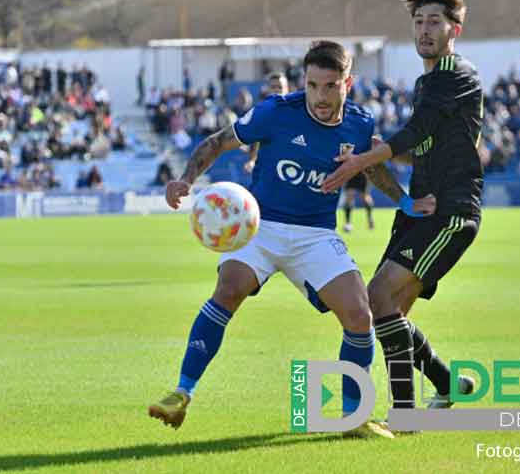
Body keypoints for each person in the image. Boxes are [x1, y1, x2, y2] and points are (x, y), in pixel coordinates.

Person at [148, 41, 434, 438]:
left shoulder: (359, 123)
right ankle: (180, 393)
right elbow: (217, 141)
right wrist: (186, 179)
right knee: (228, 289)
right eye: (313, 85)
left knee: (359, 315)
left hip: (316, 234)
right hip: (261, 227)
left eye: (331, 86)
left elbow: (372, 168)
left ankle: (354, 418)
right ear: (304, 80)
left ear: (347, 83)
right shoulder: (276, 112)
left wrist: (404, 201)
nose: (320, 95)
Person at [323, 0, 481, 415]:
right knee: (387, 311)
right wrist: (374, 151)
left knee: (378, 297)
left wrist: (364, 160)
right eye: (418, 22)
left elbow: (417, 131)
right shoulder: (426, 81)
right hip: (422, 208)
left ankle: (406, 414)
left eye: (435, 22)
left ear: (455, 31)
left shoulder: (456, 75)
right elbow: (421, 146)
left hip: (450, 210)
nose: (425, 30)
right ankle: (446, 383)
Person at [244, 72, 290, 174]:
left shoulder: (297, 112)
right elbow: (256, 140)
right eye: (273, 87)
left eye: (280, 87)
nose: (277, 90)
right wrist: (252, 160)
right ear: (268, 90)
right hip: (269, 170)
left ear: (287, 89)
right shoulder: (261, 114)